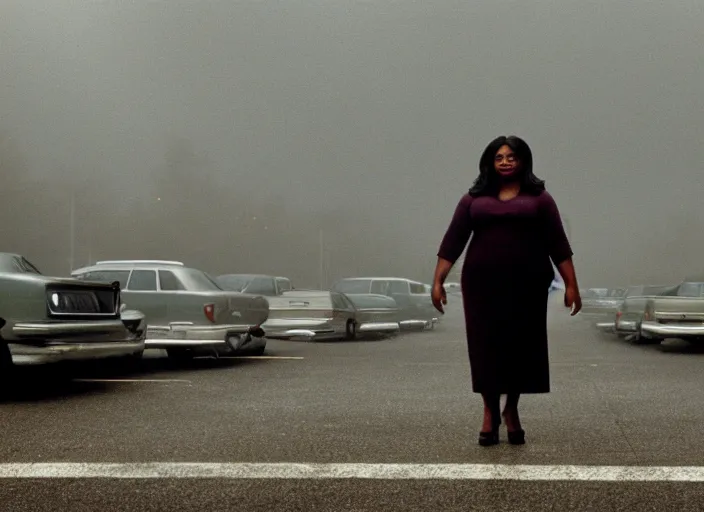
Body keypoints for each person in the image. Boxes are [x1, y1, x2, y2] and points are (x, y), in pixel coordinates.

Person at [431, 135, 582, 447]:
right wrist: (437, 281)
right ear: (490, 162)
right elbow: (452, 242)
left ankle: (511, 409)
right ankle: (489, 412)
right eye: (499, 157)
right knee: (486, 348)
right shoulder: (473, 199)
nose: (505, 162)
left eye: (511, 157)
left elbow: (558, 244)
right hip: (482, 286)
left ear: (523, 161)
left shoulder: (540, 199)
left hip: (527, 285)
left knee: (520, 349)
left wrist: (572, 285)